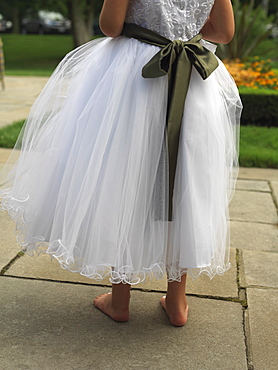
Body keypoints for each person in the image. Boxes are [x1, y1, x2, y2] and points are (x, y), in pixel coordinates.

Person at [0, 0, 241, 327]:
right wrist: (182, 33)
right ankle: (177, 301)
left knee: (123, 175)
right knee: (186, 181)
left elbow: (111, 25)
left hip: (135, 79)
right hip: (192, 80)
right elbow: (223, 32)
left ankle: (120, 300)